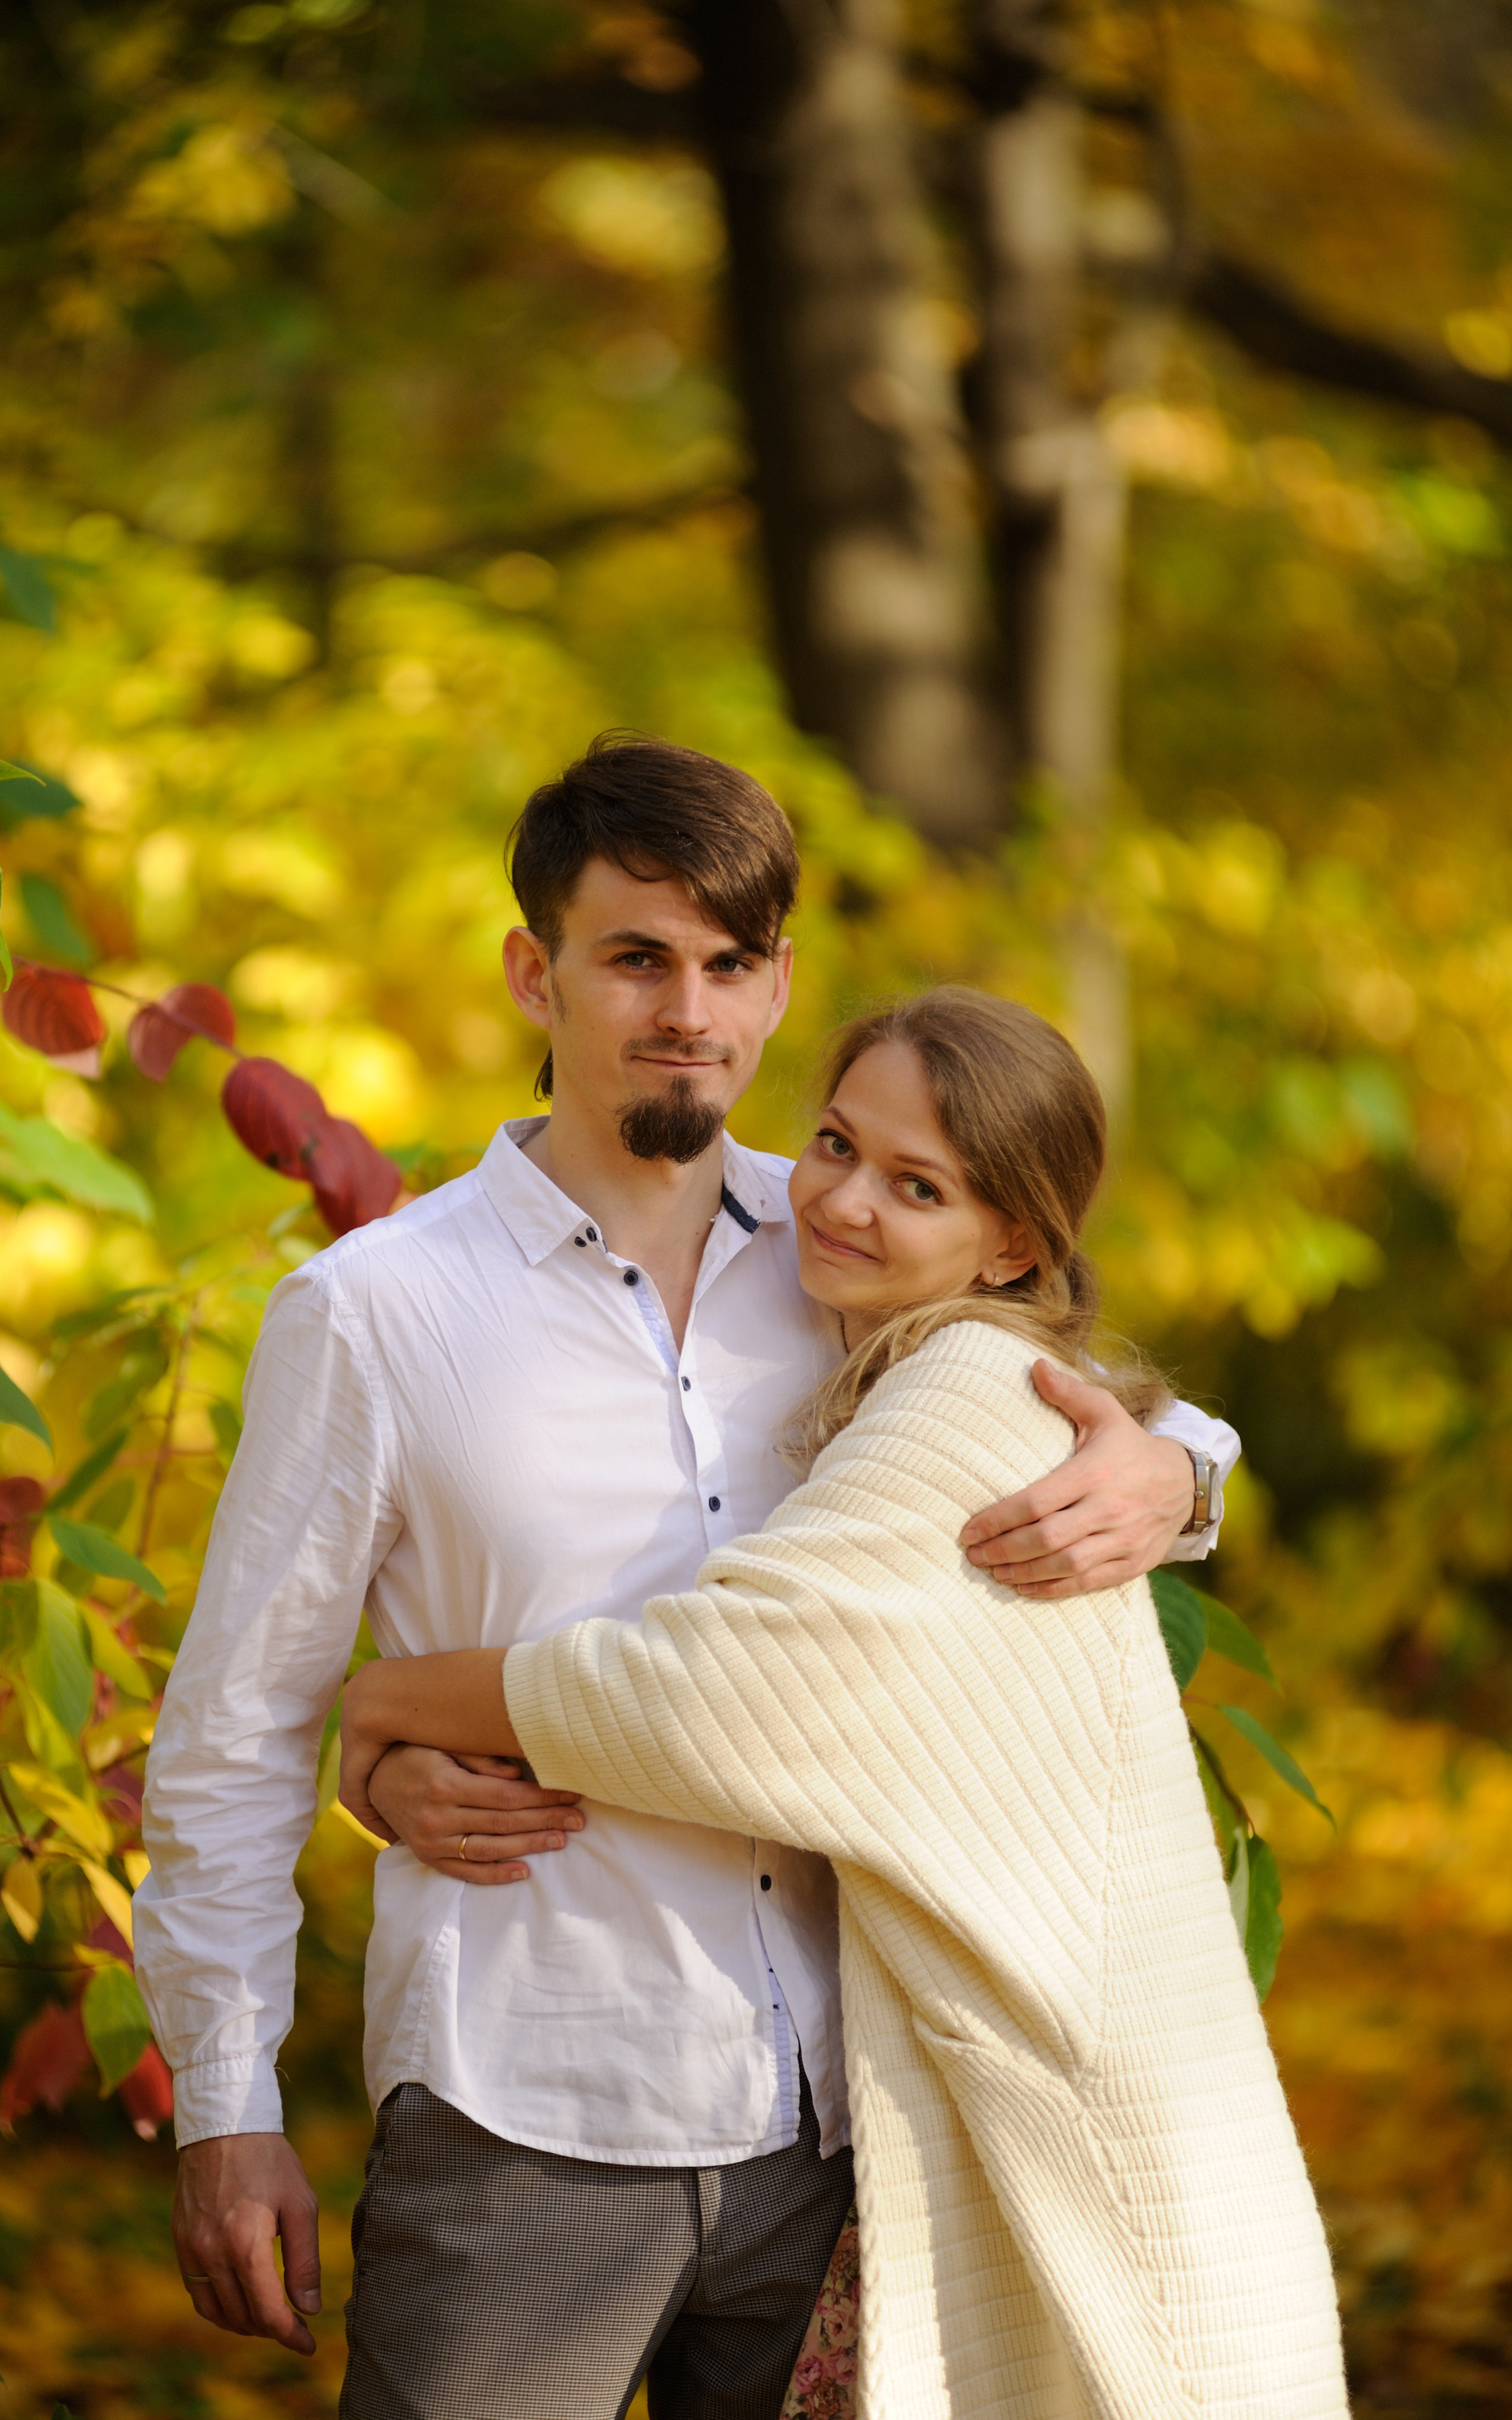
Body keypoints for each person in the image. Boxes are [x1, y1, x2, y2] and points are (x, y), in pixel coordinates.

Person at [134, 737, 1240, 2420]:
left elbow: (1123, 1408)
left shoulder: (858, 1237)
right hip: (529, 2112)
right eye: (636, 956)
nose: (690, 1010)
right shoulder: (375, 1315)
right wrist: (226, 2109)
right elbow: (232, 1730)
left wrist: (1175, 1477)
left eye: (731, 964)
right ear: (538, 972)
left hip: (850, 2117)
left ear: (781, 982)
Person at [336, 987, 1348, 2420]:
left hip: (1054, 2127)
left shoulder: (960, 1387)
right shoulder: (827, 1311)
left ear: (1012, 1244)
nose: (842, 1200)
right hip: (666, 2089)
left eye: (915, 1184)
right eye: (831, 1143)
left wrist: (386, 1696)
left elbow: (709, 1695)